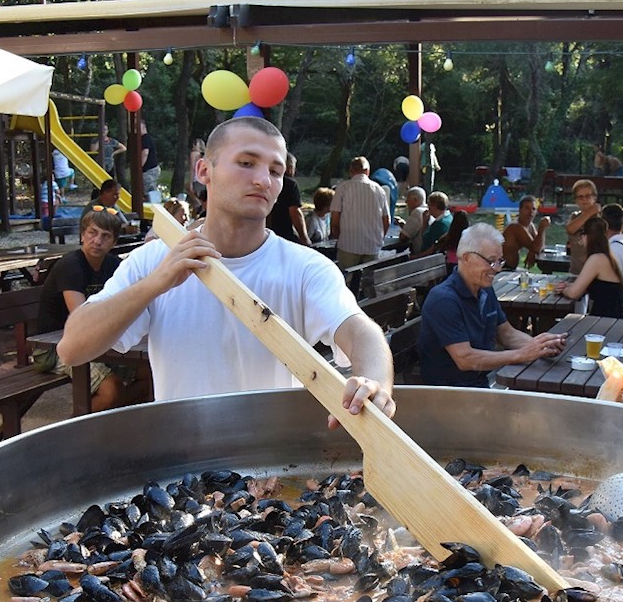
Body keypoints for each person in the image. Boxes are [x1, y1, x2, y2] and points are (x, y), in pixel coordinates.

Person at [57, 116, 394, 424]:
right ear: (204, 171)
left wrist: (375, 382)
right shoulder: (154, 260)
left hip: (275, 457)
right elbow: (72, 348)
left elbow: (359, 331)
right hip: (184, 457)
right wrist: (156, 283)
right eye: (246, 163)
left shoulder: (306, 267)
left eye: (276, 171)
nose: (262, 180)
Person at [418, 222, 567, 387]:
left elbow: (506, 334)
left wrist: (542, 346)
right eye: (490, 261)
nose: (497, 269)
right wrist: (521, 354)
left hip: (479, 382)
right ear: (466, 258)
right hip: (450, 391)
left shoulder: (484, 289)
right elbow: (465, 359)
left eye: (499, 261)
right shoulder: (444, 300)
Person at [35, 206, 140, 412]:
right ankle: (75, 427)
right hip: (53, 349)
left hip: (97, 342)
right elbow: (82, 320)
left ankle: (113, 420)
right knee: (111, 391)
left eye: (105, 236)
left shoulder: (114, 266)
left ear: (114, 242)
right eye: (92, 233)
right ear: (82, 235)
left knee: (148, 374)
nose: (97, 241)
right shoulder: (70, 266)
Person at [556, 216, 623, 318]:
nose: (580, 241)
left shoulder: (597, 259)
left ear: (586, 236)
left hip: (606, 321)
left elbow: (574, 294)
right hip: (610, 319)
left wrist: (562, 290)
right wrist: (568, 285)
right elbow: (587, 287)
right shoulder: (605, 256)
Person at [329, 155, 390, 269]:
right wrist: (379, 238)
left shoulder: (342, 188)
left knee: (347, 278)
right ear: (367, 171)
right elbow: (386, 221)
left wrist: (340, 237)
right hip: (372, 246)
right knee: (368, 279)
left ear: (351, 171)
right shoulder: (379, 190)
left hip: (348, 245)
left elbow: (335, 220)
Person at [266, 152, 309, 245]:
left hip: (264, 232)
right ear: (289, 168)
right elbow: (295, 212)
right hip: (283, 232)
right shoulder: (290, 184)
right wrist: (304, 237)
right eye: (293, 167)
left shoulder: (266, 180)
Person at [502, 196, 549, 271]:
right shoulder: (515, 226)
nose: (530, 212)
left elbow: (539, 247)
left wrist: (532, 252)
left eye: (533, 209)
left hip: (511, 268)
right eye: (527, 208)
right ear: (520, 210)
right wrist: (542, 228)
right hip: (502, 268)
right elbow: (536, 248)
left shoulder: (530, 225)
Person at [564, 179, 600, 275]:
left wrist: (593, 212)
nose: (584, 199)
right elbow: (570, 229)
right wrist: (589, 212)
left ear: (594, 197)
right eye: (580, 197)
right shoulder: (574, 216)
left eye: (588, 196)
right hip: (576, 270)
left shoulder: (601, 219)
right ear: (575, 200)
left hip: (595, 273)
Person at [390, 186, 427, 253]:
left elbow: (403, 237)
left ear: (415, 200)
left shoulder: (417, 212)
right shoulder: (426, 210)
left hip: (418, 254)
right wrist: (404, 225)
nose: (406, 202)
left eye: (408, 199)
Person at [416, 191, 452, 256]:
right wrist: (425, 222)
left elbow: (433, 248)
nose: (428, 208)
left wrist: (416, 257)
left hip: (429, 258)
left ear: (434, 206)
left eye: (429, 205)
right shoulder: (449, 217)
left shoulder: (440, 224)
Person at [435, 209, 470, 275]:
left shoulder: (448, 236)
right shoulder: (469, 238)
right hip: (463, 267)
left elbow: (440, 249)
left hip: (450, 267)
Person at [139, 118, 161, 197]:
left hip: (149, 170)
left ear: (144, 127)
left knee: (149, 192)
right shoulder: (146, 138)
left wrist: (139, 167)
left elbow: (145, 153)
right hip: (151, 169)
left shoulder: (145, 138)